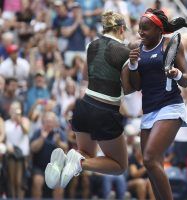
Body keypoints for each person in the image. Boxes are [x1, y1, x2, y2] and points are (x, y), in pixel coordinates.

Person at [44, 11, 133, 189]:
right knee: (119, 166)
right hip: (105, 111)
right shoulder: (125, 51)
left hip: (84, 106)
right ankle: (79, 164)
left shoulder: (92, 45)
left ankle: (63, 162)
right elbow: (129, 87)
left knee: (85, 153)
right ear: (122, 29)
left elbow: (85, 76)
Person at [128, 8, 187, 200]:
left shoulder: (171, 44)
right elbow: (137, 85)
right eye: (139, 28)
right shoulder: (138, 47)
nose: (140, 32)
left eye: (145, 28)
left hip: (170, 107)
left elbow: (185, 80)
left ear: (158, 30)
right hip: (149, 110)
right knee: (152, 166)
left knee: (149, 159)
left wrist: (177, 74)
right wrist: (133, 65)